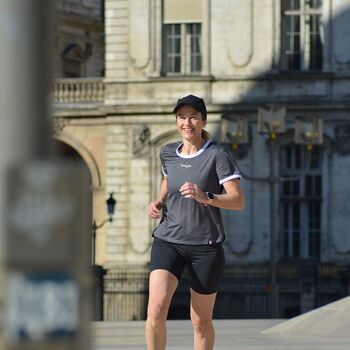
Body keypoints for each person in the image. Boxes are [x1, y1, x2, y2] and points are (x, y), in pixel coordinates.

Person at [146, 94, 245, 350]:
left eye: (193, 117)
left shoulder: (217, 155)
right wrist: (159, 200)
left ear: (202, 121)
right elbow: (169, 180)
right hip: (168, 240)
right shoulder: (168, 153)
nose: (186, 122)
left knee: (200, 321)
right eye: (181, 117)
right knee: (155, 309)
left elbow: (237, 201)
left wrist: (207, 197)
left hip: (206, 247)